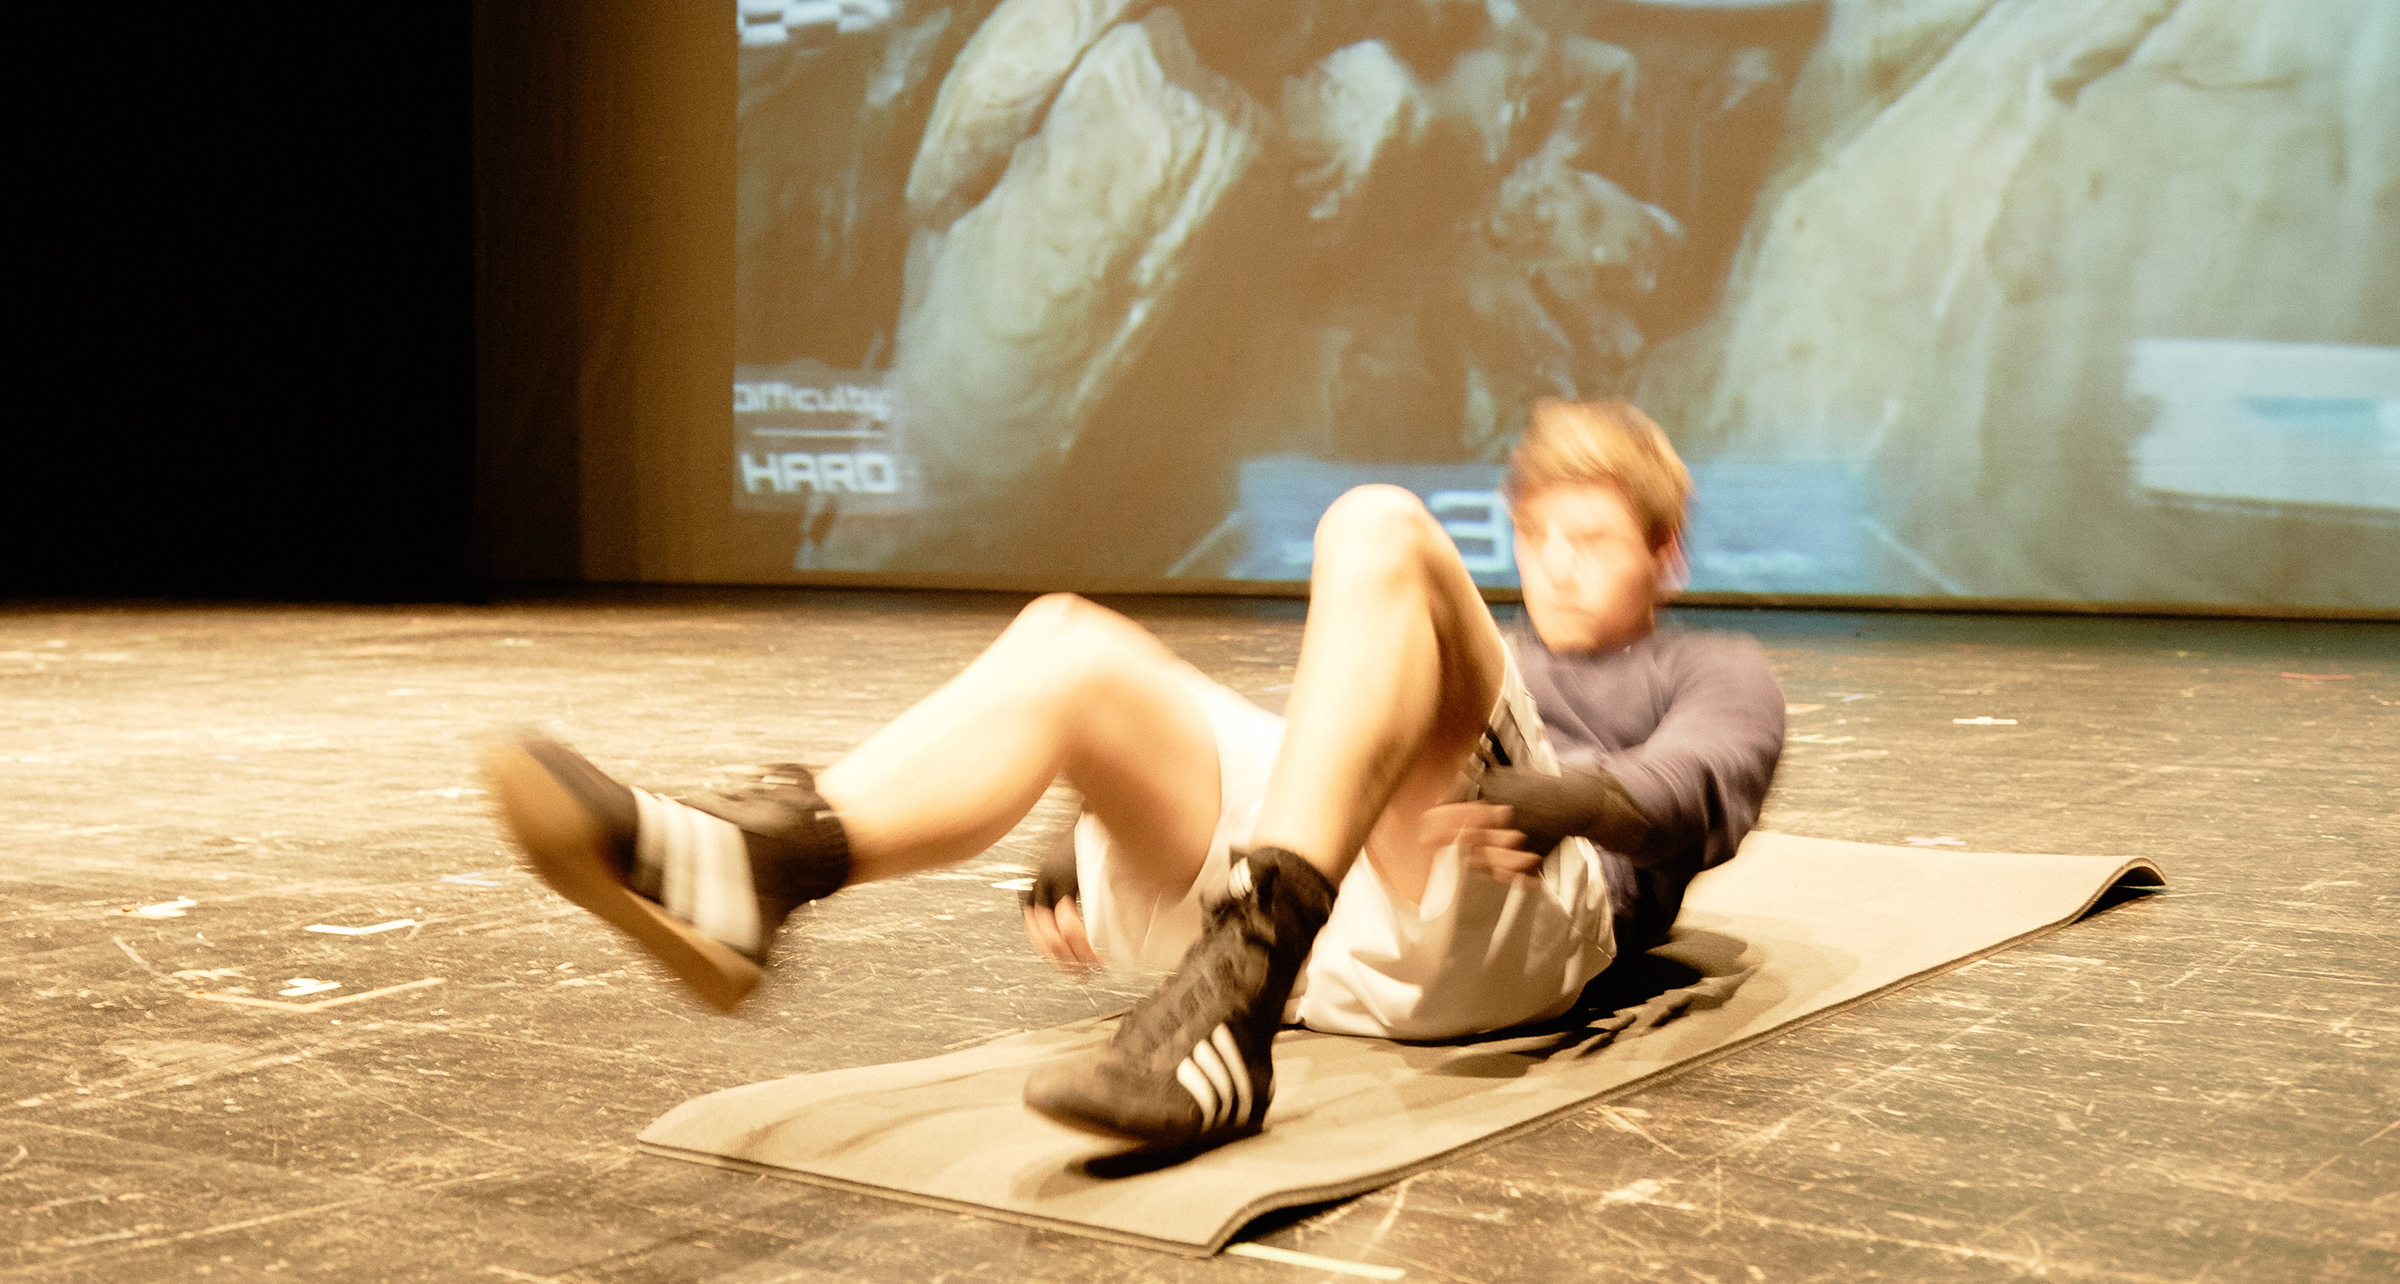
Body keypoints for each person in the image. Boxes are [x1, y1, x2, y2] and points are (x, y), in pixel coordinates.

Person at [481, 399, 1783, 1153]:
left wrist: (1583, 802)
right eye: (1537, 536)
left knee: (1377, 524)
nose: (1555, 564)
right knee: (1071, 650)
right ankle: (765, 865)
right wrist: (1097, 797)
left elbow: (1704, 784)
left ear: (1664, 554)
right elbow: (1326, 749)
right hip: (1340, 927)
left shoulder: (1712, 668)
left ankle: (1234, 999)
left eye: (1592, 539)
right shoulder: (1475, 661)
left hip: (1525, 917)